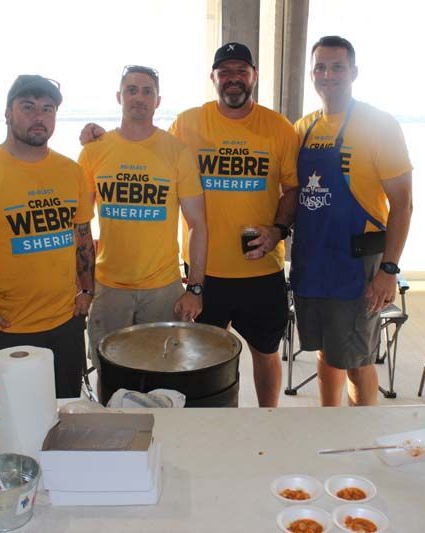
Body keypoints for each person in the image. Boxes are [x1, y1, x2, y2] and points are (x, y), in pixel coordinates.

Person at [81, 43, 299, 407]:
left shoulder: (278, 127)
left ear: (254, 77)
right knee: (198, 362)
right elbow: (143, 144)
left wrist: (277, 231)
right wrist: (98, 137)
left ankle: (268, 419)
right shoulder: (188, 123)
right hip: (205, 272)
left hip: (260, 267)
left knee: (265, 351)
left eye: (240, 71)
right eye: (224, 71)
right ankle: (204, 424)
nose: (233, 78)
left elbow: (291, 188)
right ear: (213, 78)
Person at [0, 74, 95, 399]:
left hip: (65, 323)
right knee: (11, 422)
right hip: (5, 328)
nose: (39, 117)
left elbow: (82, 235)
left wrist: (87, 290)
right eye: (28, 107)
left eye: (47, 109)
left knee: (65, 413)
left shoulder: (71, 172)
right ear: (8, 113)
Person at [287, 36, 413, 407]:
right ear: (312, 74)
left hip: (357, 264)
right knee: (326, 350)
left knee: (357, 359)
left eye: (337, 66)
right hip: (313, 260)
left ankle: (360, 432)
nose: (328, 74)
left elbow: (403, 205)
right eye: (320, 67)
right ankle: (331, 424)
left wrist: (388, 270)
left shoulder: (379, 125)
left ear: (353, 72)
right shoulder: (303, 128)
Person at [78, 65, 207, 375]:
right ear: (119, 96)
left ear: (157, 100)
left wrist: (196, 289)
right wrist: (81, 287)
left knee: (164, 372)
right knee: (109, 373)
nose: (139, 97)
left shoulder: (176, 152)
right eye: (131, 90)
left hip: (162, 288)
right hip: (108, 286)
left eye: (147, 91)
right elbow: (78, 226)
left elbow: (198, 225)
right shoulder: (94, 151)